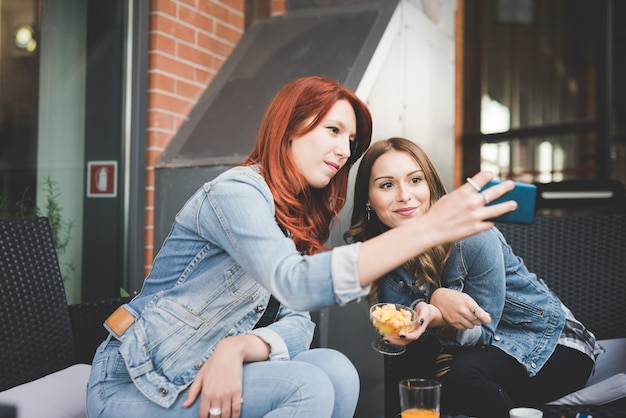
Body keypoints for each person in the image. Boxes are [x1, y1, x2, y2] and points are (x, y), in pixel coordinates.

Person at [87, 78, 516, 418]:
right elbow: (295, 285)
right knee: (305, 385)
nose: (343, 150)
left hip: (201, 370)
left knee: (337, 370)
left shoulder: (295, 216)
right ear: (289, 127)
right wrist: (425, 230)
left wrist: (236, 348)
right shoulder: (235, 193)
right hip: (136, 380)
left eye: (350, 141)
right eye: (333, 130)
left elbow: (299, 324)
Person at [344, 137, 603, 418]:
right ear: (368, 199)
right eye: (387, 184)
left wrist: (437, 305)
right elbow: (407, 325)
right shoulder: (381, 255)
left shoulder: (472, 237)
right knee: (420, 381)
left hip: (550, 342)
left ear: (430, 185)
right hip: (475, 353)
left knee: (460, 375)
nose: (404, 195)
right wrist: (412, 327)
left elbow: (484, 332)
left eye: (415, 180)